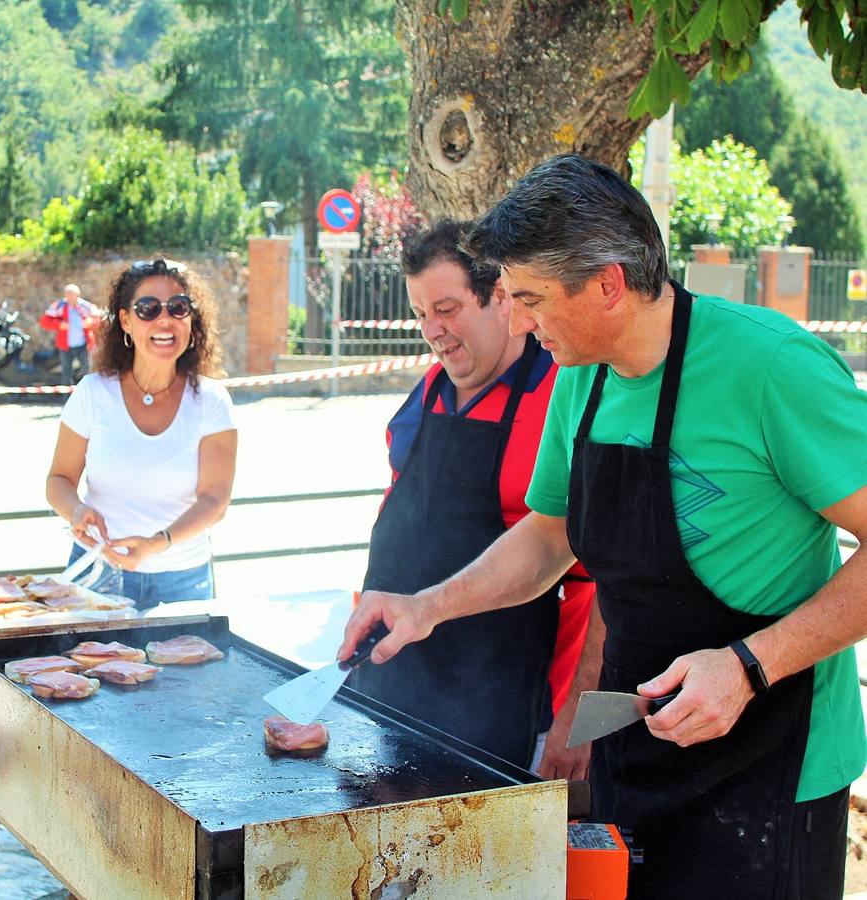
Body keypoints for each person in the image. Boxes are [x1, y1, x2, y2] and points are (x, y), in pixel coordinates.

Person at [339, 154, 867, 898]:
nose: (518, 321)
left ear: (609, 284)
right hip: (632, 752)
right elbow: (550, 537)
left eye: (532, 299)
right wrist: (427, 606)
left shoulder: (770, 366)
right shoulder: (578, 374)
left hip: (772, 770)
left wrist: (751, 665)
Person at [354, 221, 596, 773]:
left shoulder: (556, 398)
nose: (432, 330)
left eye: (447, 308)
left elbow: (589, 580)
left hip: (510, 709)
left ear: (502, 299)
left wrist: (575, 714)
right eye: (420, 314)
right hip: (394, 690)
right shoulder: (427, 394)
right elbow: (397, 524)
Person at [45, 258, 237, 609]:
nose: (164, 319)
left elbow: (215, 501)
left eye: (178, 307)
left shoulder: (212, 401)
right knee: (88, 666)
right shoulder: (92, 393)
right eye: (148, 308)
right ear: (125, 321)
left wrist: (158, 543)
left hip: (184, 580)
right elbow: (58, 479)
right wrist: (75, 510)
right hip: (96, 574)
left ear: (192, 320)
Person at [40, 282, 100, 385]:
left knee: (87, 370)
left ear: (78, 294)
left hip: (83, 344)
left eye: (73, 294)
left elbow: (97, 319)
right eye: (68, 294)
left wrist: (90, 322)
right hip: (65, 345)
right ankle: (66, 397)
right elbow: (44, 321)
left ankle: (86, 394)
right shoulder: (59, 306)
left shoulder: (86, 306)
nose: (71, 297)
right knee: (66, 371)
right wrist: (59, 324)